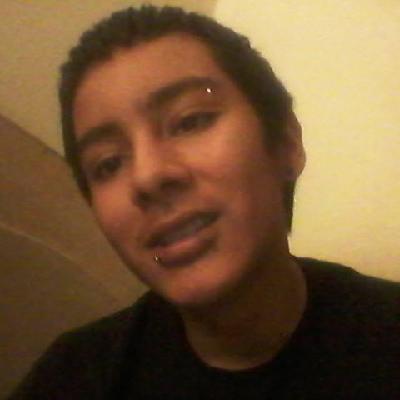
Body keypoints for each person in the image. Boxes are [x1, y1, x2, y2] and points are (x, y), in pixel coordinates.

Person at [9, 5, 399, 399]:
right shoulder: (73, 378)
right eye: (108, 163)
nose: (148, 176)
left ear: (285, 142)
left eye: (190, 121)